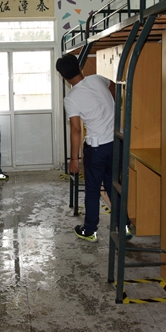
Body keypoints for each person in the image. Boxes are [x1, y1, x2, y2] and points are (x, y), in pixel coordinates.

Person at [56, 53, 132, 242]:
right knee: (114, 186)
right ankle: (124, 226)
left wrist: (74, 159)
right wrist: (111, 106)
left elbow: (76, 129)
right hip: (117, 143)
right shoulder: (97, 79)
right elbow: (113, 87)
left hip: (97, 150)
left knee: (92, 189)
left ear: (63, 77)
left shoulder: (71, 98)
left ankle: (89, 230)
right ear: (79, 67)